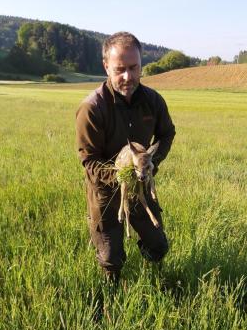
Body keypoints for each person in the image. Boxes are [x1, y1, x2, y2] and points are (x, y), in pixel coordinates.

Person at [75, 32, 176, 284]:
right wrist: (121, 176)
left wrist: (152, 161)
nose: (128, 76)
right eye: (120, 69)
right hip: (105, 194)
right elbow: (89, 161)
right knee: (111, 259)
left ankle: (154, 279)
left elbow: (167, 133)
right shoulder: (92, 108)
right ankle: (112, 293)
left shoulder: (153, 101)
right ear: (105, 66)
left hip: (141, 187)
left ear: (142, 66)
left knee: (158, 246)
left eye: (134, 68)